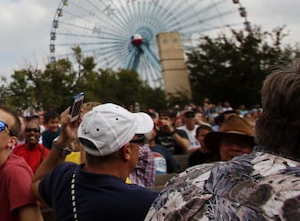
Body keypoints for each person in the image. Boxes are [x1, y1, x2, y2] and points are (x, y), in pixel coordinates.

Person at [146, 59, 300, 220]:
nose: (235, 148)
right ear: (218, 145)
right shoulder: (186, 182)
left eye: (241, 143)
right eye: (230, 142)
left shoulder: (184, 184)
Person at [31, 102, 157, 221]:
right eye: (140, 141)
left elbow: (36, 185)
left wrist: (63, 140)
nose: (141, 147)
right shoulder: (146, 203)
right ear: (126, 151)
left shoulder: (64, 177)